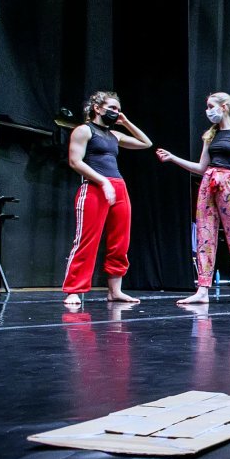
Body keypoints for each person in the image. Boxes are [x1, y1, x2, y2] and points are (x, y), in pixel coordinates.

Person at [155, 92, 230, 305]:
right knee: (204, 234)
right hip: (209, 182)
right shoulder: (211, 135)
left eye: (211, 106)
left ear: (224, 107)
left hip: (229, 183)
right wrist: (173, 158)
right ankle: (202, 290)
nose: (208, 111)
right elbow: (201, 167)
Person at [62, 91, 153, 306]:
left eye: (118, 109)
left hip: (118, 187)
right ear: (97, 108)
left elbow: (146, 143)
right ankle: (74, 290)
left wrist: (126, 122)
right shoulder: (84, 130)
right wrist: (103, 182)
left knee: (120, 241)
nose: (116, 112)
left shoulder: (114, 135)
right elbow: (75, 161)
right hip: (94, 187)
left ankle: (115, 291)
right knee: (87, 240)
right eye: (112, 108)